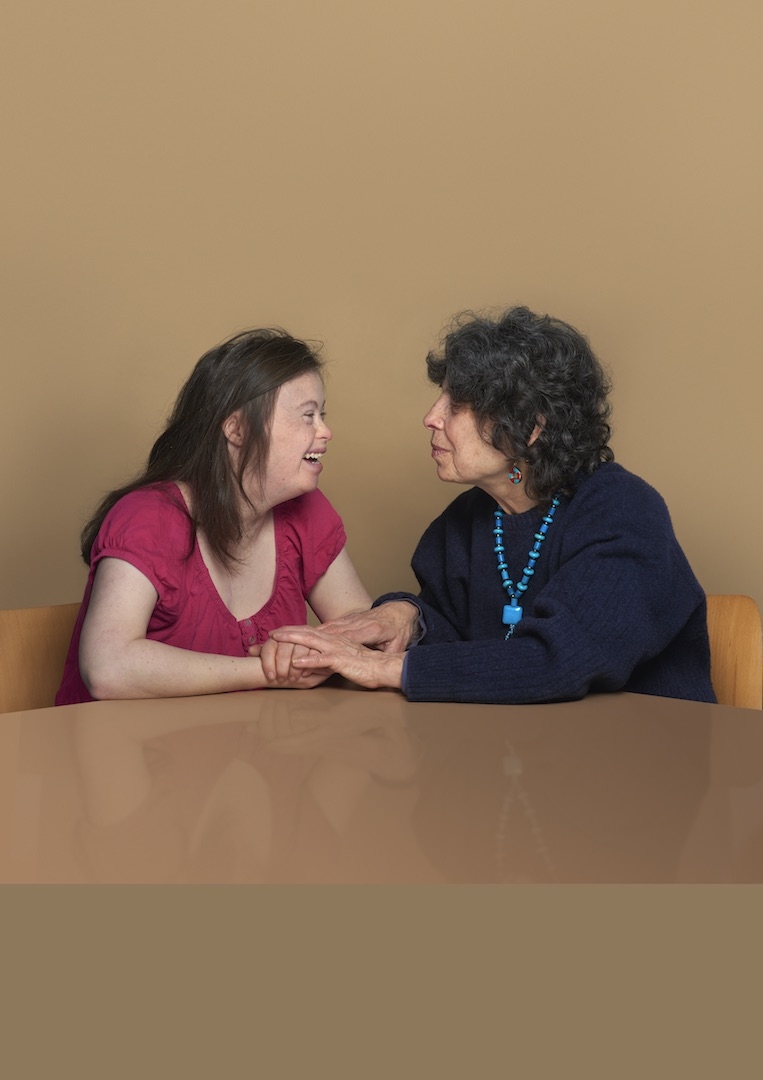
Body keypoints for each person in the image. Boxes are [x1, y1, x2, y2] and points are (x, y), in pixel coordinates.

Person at [268, 306, 716, 705]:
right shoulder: (467, 519)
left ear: (530, 427)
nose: (432, 416)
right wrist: (407, 615)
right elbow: (456, 638)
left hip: (640, 765)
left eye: (457, 403)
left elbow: (559, 661)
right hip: (521, 766)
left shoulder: (623, 510)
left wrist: (386, 669)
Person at [56, 328, 370, 705]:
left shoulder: (307, 509)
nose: (325, 431)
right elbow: (108, 669)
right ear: (236, 429)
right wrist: (273, 672)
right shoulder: (148, 518)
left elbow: (362, 628)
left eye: (322, 414)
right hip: (125, 754)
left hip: (245, 752)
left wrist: (320, 652)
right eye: (307, 415)